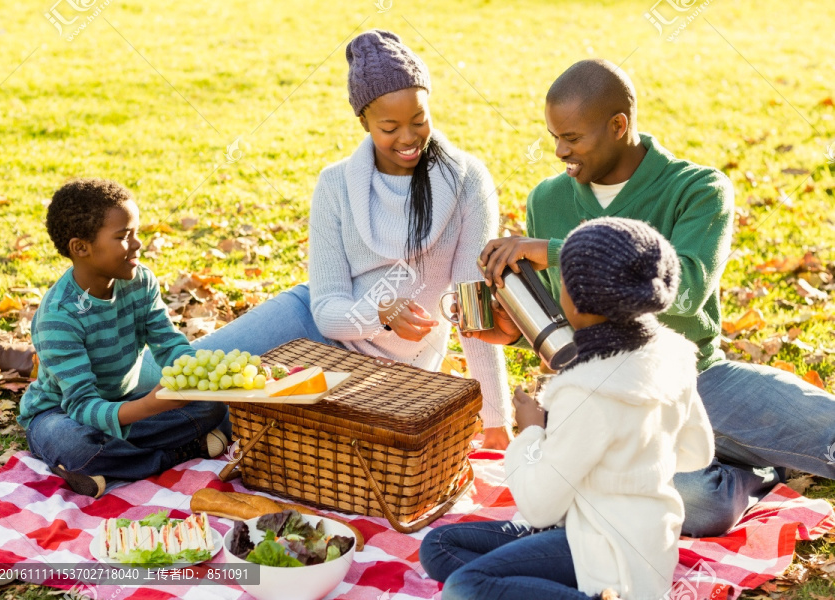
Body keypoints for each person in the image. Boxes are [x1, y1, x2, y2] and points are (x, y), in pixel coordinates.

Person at [475, 58, 835, 536]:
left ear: (619, 125)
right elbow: (568, 329)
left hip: (699, 379)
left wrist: (557, 250)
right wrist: (516, 335)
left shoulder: (697, 189)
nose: (560, 150)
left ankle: (737, 447)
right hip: (611, 402)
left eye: (573, 138)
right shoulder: (548, 200)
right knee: (696, 500)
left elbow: (683, 288)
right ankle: (754, 471)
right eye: (554, 137)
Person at [136, 29, 513, 448]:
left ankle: (125, 439)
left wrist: (496, 420)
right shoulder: (336, 185)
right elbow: (328, 310)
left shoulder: (467, 182)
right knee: (185, 375)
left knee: (239, 416)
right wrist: (380, 311)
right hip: (312, 323)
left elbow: (473, 308)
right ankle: (77, 395)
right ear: (363, 122)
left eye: (419, 120)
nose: (408, 138)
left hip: (390, 372)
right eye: (389, 127)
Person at [420, 217, 714, 600]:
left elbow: (539, 508)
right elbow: (698, 451)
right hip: (645, 539)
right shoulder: (672, 354)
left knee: (464, 586)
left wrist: (531, 431)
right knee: (439, 546)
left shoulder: (585, 391)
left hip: (608, 554)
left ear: (576, 299)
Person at [18, 179, 229, 498]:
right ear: (81, 248)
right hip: (61, 413)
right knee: (76, 446)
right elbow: (82, 405)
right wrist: (149, 406)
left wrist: (196, 377)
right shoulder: (59, 316)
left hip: (125, 401)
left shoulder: (140, 281)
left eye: (136, 233)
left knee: (212, 407)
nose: (138, 245)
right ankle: (178, 453)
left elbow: (168, 343)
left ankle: (109, 467)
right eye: (123, 236)